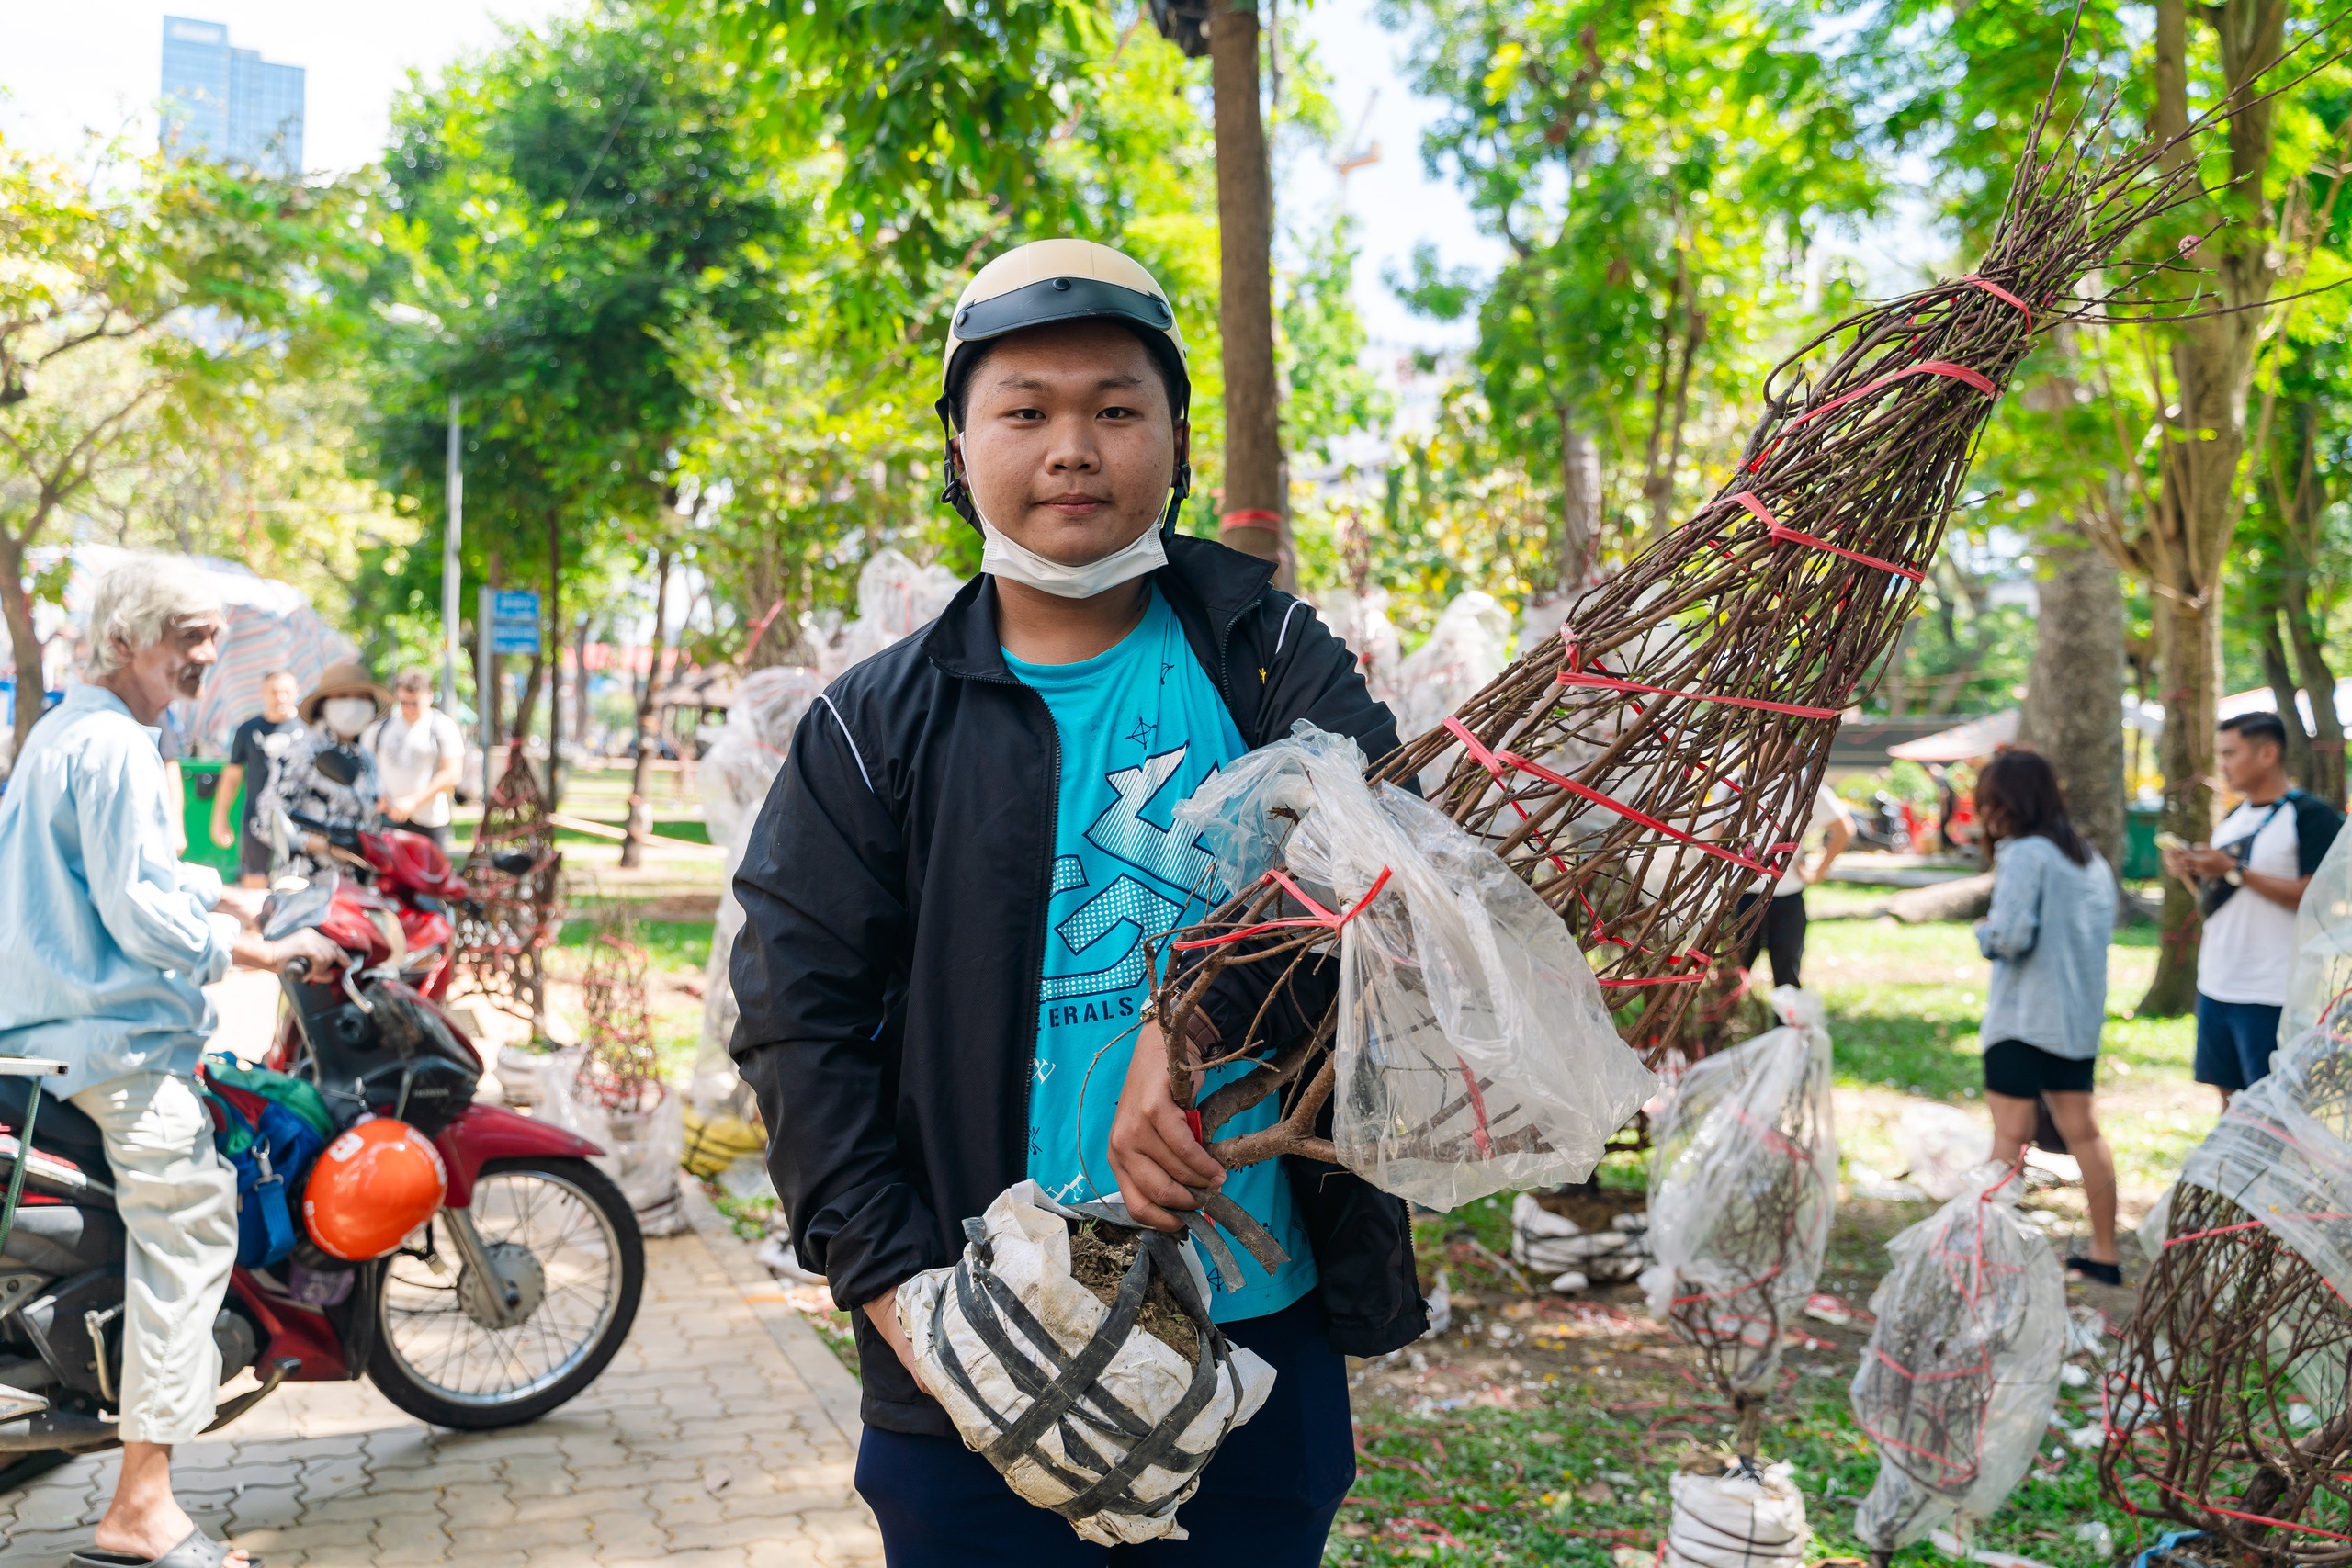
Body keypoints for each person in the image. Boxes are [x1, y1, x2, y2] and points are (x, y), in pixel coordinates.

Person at [730, 239, 1423, 1567]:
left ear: (1173, 435)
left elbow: (1371, 858)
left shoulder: (1269, 656)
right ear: (958, 441)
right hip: (981, 1360)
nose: (1073, 446)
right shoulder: (872, 729)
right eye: (1026, 409)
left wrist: (1194, 1015)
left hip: (1252, 1341)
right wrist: (908, 1312)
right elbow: (795, 1030)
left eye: (1116, 406)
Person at [0, 558, 338, 1568]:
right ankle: (141, 1508)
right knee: (195, 1236)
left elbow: (134, 871)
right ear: (123, 641)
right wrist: (254, 950)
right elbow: (134, 908)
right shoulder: (112, 746)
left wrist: (224, 897)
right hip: (111, 1046)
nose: (207, 655)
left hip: (55, 1036)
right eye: (187, 637)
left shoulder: (70, 732)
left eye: (210, 636)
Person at [1972, 749, 2121, 1284]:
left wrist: (1984, 931)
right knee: (2084, 1134)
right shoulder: (2089, 858)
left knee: (2007, 1140)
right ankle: (2105, 1254)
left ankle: (1988, 1263)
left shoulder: (2024, 854)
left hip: (2021, 1020)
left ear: (2007, 802)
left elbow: (2009, 936)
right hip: (2075, 1023)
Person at [2164, 711, 2346, 1101]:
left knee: (2271, 1106)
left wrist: (2233, 870)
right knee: (2229, 1103)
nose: (2223, 764)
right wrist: (2192, 871)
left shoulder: (2310, 816)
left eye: (2231, 753)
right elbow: (2219, 897)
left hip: (2272, 990)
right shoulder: (2233, 818)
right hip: (2217, 983)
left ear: (2268, 753)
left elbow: (2321, 897)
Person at [257, 661, 388, 878]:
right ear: (322, 705)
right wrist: (326, 846)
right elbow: (265, 823)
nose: (352, 704)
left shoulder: (366, 759)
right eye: (342, 696)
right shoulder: (301, 753)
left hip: (359, 884)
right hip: (310, 884)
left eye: (361, 697)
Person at [1734, 782, 1852, 990]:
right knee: (1730, 976)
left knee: (1786, 976)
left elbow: (1844, 829)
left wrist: (1817, 873)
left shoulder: (1804, 784)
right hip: (1740, 898)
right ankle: (1724, 1022)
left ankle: (1787, 1022)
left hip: (1786, 897)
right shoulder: (1734, 783)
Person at [210, 670, 303, 887]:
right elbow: (232, 775)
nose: (280, 697)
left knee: (293, 884)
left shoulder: (308, 730)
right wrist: (220, 817)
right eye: (274, 692)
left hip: (298, 819)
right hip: (257, 817)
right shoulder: (248, 729)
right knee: (254, 882)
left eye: (286, 692)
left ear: (296, 693)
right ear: (263, 693)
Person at [365, 669, 465, 852]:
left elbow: (453, 774)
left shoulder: (442, 726)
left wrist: (413, 801)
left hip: (429, 821)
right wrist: (378, 795)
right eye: (403, 702)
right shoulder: (381, 727)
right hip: (387, 819)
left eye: (414, 703)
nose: (409, 708)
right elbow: (366, 767)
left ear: (429, 696)